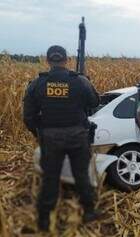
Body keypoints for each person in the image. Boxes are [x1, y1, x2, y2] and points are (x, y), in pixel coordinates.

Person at [23, 45, 100, 232]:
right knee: (81, 175)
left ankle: (43, 221)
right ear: (66, 60)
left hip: (50, 138)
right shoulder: (79, 81)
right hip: (77, 136)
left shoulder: (37, 84)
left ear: (48, 61)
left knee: (50, 178)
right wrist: (86, 82)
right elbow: (95, 103)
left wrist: (39, 133)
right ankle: (89, 212)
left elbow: (28, 117)